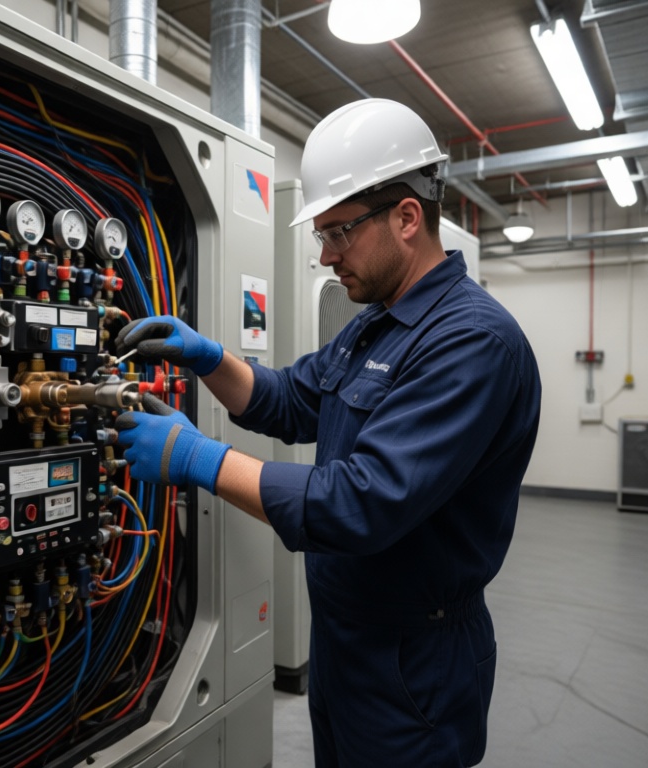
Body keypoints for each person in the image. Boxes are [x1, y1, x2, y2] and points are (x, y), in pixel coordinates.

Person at [113, 98, 541, 767]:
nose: (326, 255)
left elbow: (359, 503)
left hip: (413, 664)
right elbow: (289, 399)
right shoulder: (375, 322)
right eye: (321, 235)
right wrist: (208, 357)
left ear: (406, 218)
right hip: (345, 642)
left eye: (339, 232)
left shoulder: (472, 342)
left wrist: (196, 458)